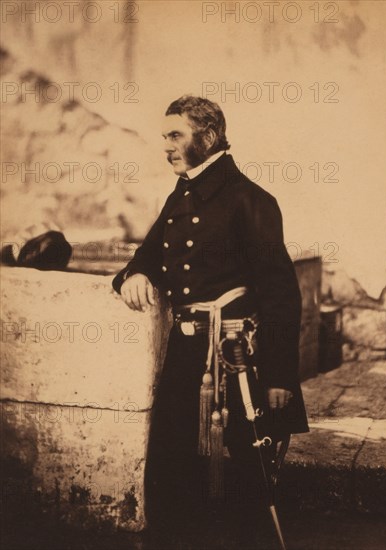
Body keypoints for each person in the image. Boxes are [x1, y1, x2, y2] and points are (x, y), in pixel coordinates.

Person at [112, 95, 309, 545]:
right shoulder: (181, 194)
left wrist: (280, 376)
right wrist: (136, 274)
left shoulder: (251, 200)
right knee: (172, 461)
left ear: (209, 136)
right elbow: (145, 257)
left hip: (237, 355)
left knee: (243, 470)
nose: (166, 146)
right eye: (164, 137)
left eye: (175, 135)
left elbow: (281, 293)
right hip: (185, 356)